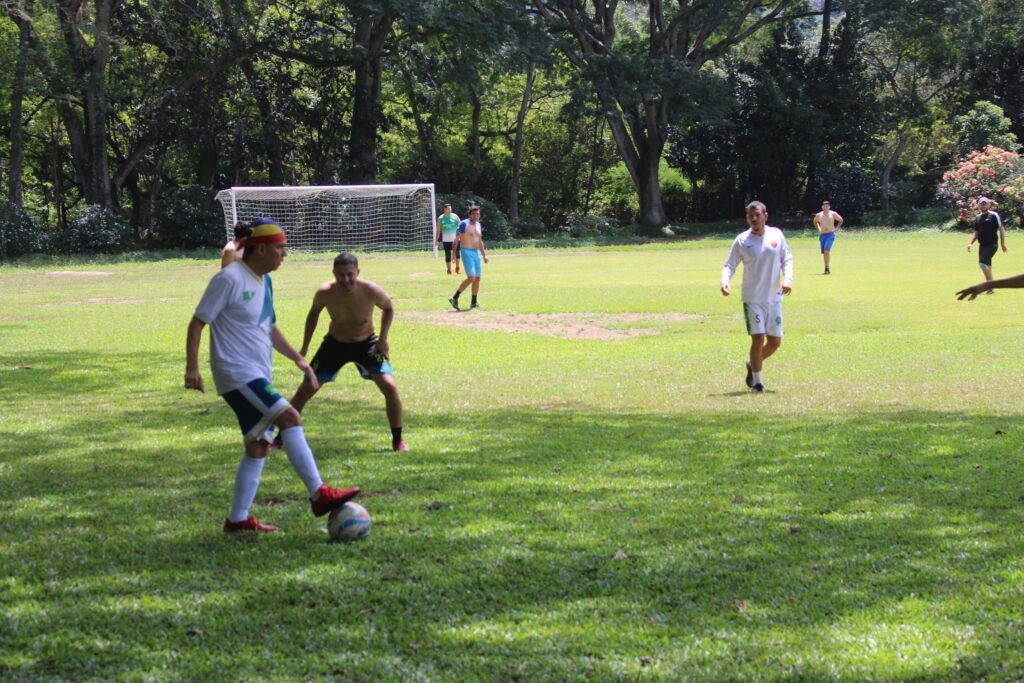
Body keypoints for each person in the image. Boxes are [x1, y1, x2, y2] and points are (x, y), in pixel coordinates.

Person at [185, 218, 360, 533]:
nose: (285, 253)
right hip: (236, 372)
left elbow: (269, 326)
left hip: (255, 372)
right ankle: (320, 494)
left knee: (258, 447)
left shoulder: (264, 281)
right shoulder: (228, 279)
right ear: (262, 249)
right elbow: (198, 321)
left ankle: (237, 521)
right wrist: (192, 367)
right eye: (281, 247)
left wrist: (299, 360)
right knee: (290, 417)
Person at [288, 252, 409, 452]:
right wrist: (305, 346)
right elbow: (313, 314)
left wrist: (383, 340)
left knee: (390, 388)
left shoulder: (371, 290)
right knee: (306, 389)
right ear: (333, 273)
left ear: (358, 272)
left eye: (350, 274)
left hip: (368, 345)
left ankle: (398, 440)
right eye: (341, 275)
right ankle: (280, 437)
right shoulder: (325, 292)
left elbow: (389, 308)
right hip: (334, 345)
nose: (346, 280)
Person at [721, 201, 794, 393]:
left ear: (765, 216)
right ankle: (758, 383)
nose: (754, 219)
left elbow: (787, 258)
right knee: (758, 339)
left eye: (758, 215)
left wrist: (788, 280)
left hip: (774, 297)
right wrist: (725, 281)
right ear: (747, 218)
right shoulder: (742, 240)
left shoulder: (776, 235)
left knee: (775, 342)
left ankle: (751, 363)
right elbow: (730, 264)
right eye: (751, 216)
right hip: (752, 298)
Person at [448, 205, 489, 311]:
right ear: (470, 214)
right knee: (471, 277)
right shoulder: (464, 224)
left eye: (478, 214)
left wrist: (484, 255)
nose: (476, 216)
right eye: (474, 214)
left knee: (477, 278)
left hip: (476, 253)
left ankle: (474, 302)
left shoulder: (479, 225)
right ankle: (454, 297)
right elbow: (456, 239)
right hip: (466, 251)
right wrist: (453, 254)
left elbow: (479, 241)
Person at [966, 196, 1007, 294]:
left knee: (982, 264)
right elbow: (976, 232)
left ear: (989, 204)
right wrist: (970, 243)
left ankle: (991, 285)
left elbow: (1001, 229)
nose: (983, 205)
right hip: (982, 245)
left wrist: (1002, 244)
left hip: (992, 244)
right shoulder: (978, 217)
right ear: (979, 205)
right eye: (982, 203)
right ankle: (990, 288)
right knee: (987, 266)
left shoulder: (994, 215)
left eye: (985, 203)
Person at [812, 201, 843, 274]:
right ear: (822, 207)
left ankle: (827, 269)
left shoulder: (833, 214)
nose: (825, 208)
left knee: (826, 250)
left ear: (829, 207)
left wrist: (837, 228)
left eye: (827, 206)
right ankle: (826, 268)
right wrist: (819, 229)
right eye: (824, 206)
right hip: (822, 235)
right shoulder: (819, 215)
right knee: (824, 253)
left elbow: (840, 220)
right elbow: (815, 222)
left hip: (830, 235)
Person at [435, 203, 462, 275]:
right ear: (444, 210)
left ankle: (457, 268)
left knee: (457, 254)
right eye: (448, 208)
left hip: (456, 239)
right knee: (448, 255)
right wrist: (436, 240)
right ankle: (449, 270)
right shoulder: (440, 218)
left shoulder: (455, 216)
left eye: (450, 208)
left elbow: (461, 226)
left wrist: (461, 236)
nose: (450, 210)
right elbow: (438, 230)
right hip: (446, 240)